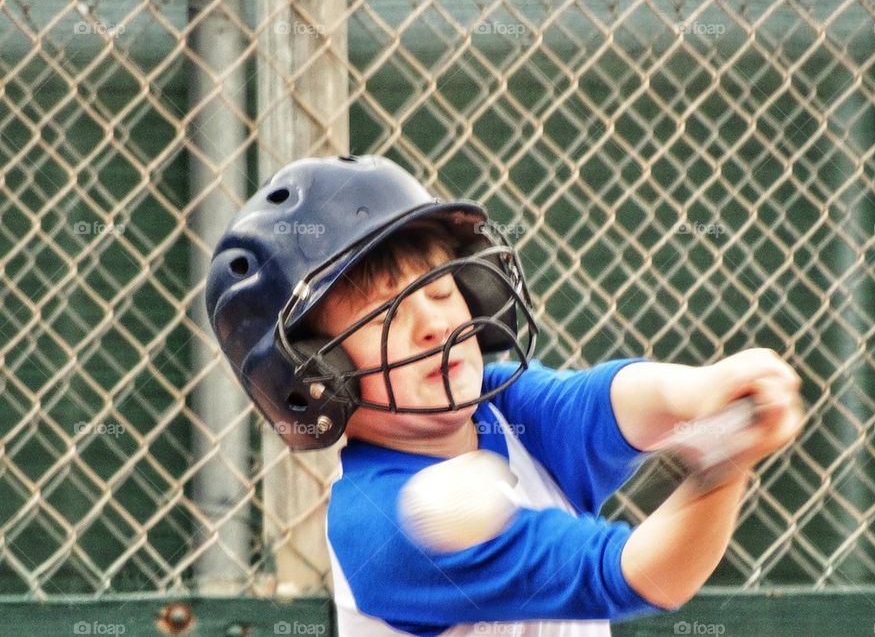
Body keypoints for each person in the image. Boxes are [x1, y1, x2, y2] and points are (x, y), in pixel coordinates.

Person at [206, 155, 804, 636]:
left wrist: (700, 392)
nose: (436, 326)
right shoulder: (380, 526)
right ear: (314, 375)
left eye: (440, 289)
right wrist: (724, 463)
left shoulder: (501, 409)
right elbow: (644, 575)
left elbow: (604, 400)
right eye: (382, 315)